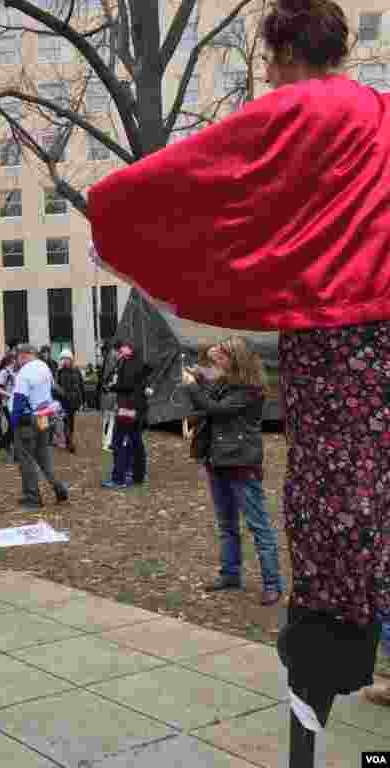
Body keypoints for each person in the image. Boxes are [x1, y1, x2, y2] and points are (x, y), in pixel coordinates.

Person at [86, 0, 388, 739]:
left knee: (333, 488)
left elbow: (203, 172)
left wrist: (113, 214)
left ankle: (331, 638)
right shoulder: (381, 113)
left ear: (284, 53)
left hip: (338, 331)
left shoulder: (300, 110)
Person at [183, 338, 282, 606]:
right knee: (227, 525)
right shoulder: (226, 384)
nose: (216, 365)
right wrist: (199, 378)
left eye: (220, 360)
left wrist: (193, 386)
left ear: (234, 361)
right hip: (218, 461)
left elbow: (216, 409)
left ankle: (272, 583)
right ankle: (230, 574)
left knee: (258, 526)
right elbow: (211, 395)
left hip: (240, 464)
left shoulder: (250, 390)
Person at [11, 344, 68, 508]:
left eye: (18, 357)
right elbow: (53, 390)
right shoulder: (44, 366)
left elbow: (19, 401)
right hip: (45, 416)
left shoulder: (24, 373)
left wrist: (14, 424)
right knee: (44, 456)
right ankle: (58, 488)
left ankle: (33, 497)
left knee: (27, 460)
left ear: (24, 355)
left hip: (28, 421)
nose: (17, 360)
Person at [102, 341, 149, 488]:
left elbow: (127, 385)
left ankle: (118, 478)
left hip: (127, 406)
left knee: (118, 441)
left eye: (122, 349)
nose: (120, 352)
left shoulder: (129, 363)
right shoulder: (140, 362)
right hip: (138, 408)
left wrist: (113, 387)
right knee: (136, 442)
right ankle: (138, 476)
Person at [56, 350, 85, 453]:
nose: (65, 361)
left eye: (67, 359)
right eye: (63, 359)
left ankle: (69, 439)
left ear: (71, 359)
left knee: (71, 421)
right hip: (64, 401)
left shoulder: (76, 371)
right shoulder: (60, 372)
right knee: (66, 421)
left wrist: (82, 400)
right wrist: (57, 399)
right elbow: (57, 386)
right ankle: (70, 442)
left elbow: (81, 386)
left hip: (74, 401)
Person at [0, 354, 17, 461]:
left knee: (15, 429)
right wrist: (9, 395)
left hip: (16, 403)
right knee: (13, 428)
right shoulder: (4, 372)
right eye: (15, 359)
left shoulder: (16, 371)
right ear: (11, 361)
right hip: (7, 404)